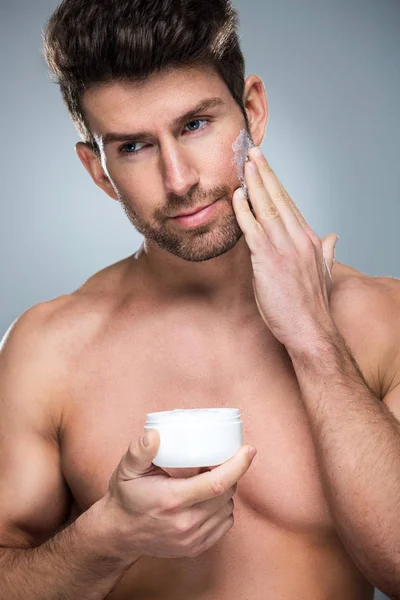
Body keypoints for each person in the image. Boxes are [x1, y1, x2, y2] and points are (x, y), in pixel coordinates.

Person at [1, 0, 400, 598]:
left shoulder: (382, 321)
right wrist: (105, 539)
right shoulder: (47, 350)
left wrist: (315, 342)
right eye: (134, 146)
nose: (179, 179)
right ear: (97, 170)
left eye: (195, 125)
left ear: (253, 111)